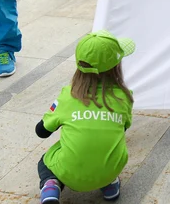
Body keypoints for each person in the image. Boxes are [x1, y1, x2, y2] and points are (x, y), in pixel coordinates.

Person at [35, 30, 134, 203]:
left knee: (45, 161)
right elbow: (123, 127)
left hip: (71, 171)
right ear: (116, 67)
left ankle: (51, 185)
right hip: (111, 167)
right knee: (108, 148)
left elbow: (41, 131)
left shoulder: (68, 96)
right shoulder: (124, 97)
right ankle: (109, 183)